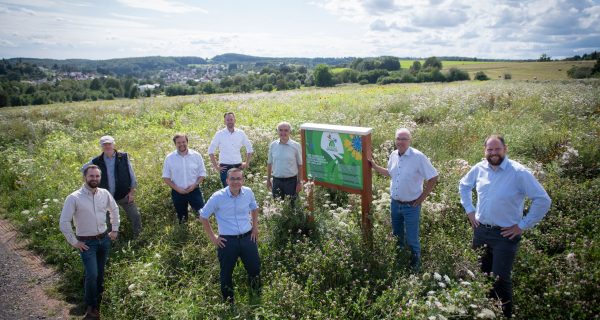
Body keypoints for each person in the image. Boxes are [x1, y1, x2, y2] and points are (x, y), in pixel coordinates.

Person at [459, 134, 551, 318]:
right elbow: (463, 185)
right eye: (490, 149)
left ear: (505, 149)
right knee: (482, 276)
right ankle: (486, 312)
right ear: (485, 151)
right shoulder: (479, 168)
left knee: (500, 280)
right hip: (481, 231)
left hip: (505, 235)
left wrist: (522, 225)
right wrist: (470, 211)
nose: (493, 153)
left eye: (497, 149)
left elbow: (543, 200)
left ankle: (505, 314)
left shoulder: (519, 172)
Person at [368, 128, 438, 271]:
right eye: (398, 139)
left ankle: (415, 269)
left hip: (411, 206)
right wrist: (374, 166)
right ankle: (400, 262)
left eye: (404, 139)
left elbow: (433, 177)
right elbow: (391, 173)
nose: (400, 142)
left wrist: (421, 199)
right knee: (397, 235)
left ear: (410, 141)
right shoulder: (394, 155)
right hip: (395, 203)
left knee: (412, 239)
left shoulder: (418, 157)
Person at [59, 164, 119, 319]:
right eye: (91, 176)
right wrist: (74, 242)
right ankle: (91, 306)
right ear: (85, 177)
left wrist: (115, 229)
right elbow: (64, 222)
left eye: (97, 176)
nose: (95, 179)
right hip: (87, 244)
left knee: (99, 273)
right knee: (92, 274)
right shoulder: (74, 198)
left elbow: (114, 209)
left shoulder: (104, 193)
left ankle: (98, 300)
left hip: (104, 240)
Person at [199, 168, 260, 303]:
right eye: (232, 178)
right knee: (226, 273)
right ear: (227, 180)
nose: (235, 182)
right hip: (227, 242)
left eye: (238, 178)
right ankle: (228, 302)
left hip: (248, 238)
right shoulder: (217, 197)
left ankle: (255, 296)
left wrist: (255, 228)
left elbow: (254, 208)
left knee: (255, 269)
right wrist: (214, 238)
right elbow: (203, 216)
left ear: (243, 180)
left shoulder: (248, 192)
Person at [83, 135, 142, 238]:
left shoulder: (123, 157)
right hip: (105, 197)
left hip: (124, 195)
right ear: (101, 146)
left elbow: (132, 175)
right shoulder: (97, 160)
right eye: (104, 144)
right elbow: (83, 169)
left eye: (109, 144)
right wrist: (91, 185)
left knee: (135, 216)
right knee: (108, 222)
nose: (107, 146)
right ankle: (112, 241)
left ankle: (139, 237)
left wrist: (131, 192)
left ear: (113, 144)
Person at [162, 133, 207, 223]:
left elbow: (202, 173)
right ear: (175, 144)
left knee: (202, 214)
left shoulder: (196, 155)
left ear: (187, 142)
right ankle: (184, 234)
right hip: (177, 192)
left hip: (194, 190)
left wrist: (194, 185)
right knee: (182, 218)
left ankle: (205, 233)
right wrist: (178, 189)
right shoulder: (169, 158)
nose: (181, 144)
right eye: (178, 142)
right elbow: (166, 177)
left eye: (183, 142)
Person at [208, 112, 254, 187]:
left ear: (234, 120)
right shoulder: (219, 134)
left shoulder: (241, 133)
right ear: (224, 121)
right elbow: (210, 151)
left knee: (238, 189)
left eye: (231, 119)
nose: (230, 121)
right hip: (224, 167)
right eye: (228, 120)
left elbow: (249, 148)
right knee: (227, 191)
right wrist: (216, 166)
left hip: (238, 166)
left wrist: (247, 163)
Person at [267, 121, 303, 201]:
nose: (283, 132)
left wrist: (299, 182)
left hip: (291, 182)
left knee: (292, 206)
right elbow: (269, 163)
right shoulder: (273, 145)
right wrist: (268, 180)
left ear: (290, 131)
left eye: (286, 130)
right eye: (280, 130)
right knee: (277, 207)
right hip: (276, 181)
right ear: (277, 131)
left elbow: (300, 165)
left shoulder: (296, 146)